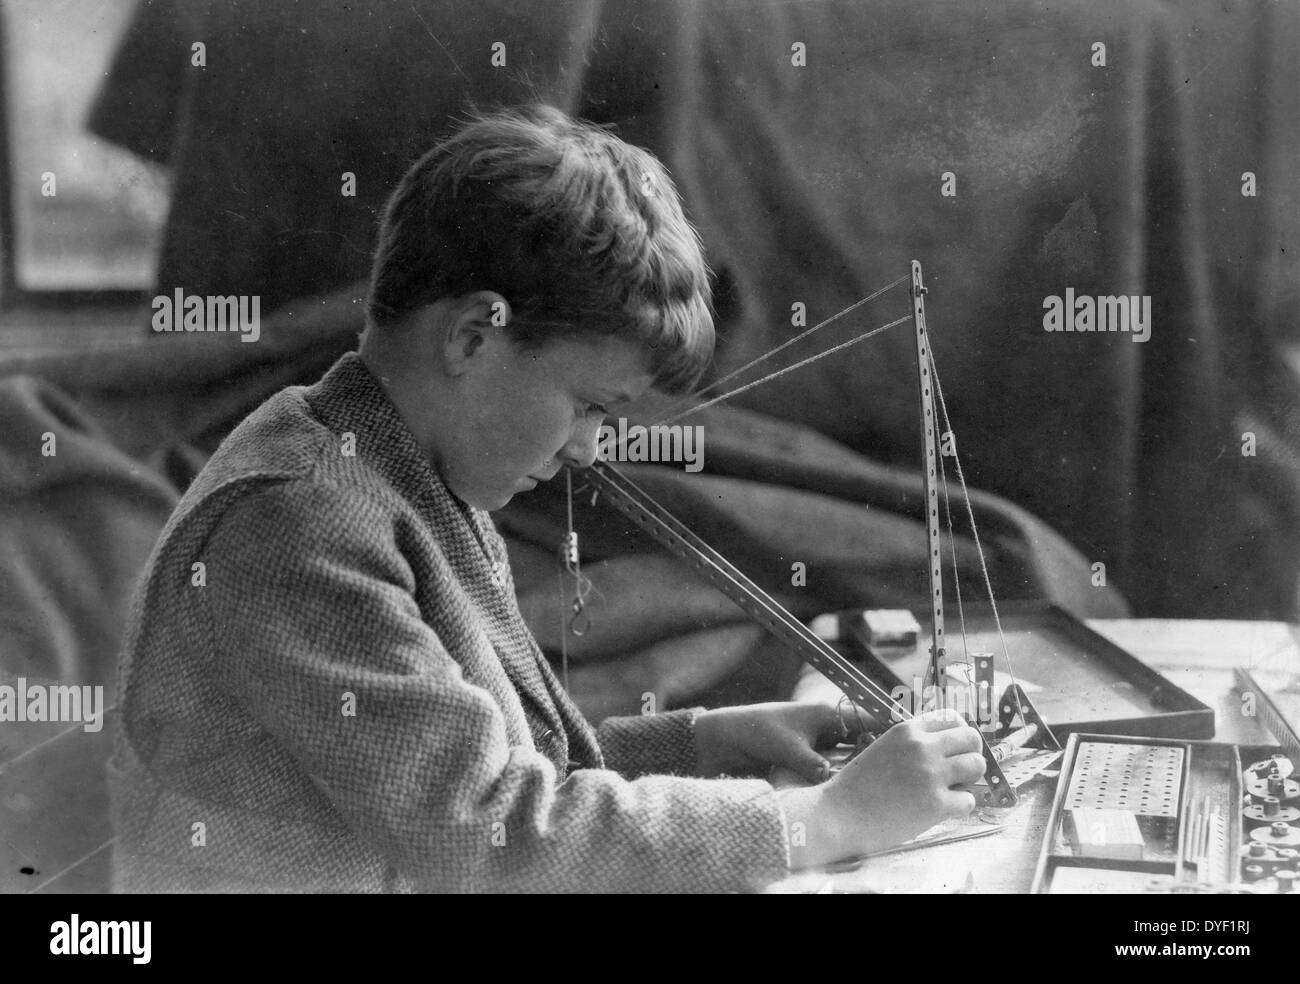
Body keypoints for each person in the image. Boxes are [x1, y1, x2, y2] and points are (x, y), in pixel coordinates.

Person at [108, 105, 985, 892]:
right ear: (474, 336)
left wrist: (709, 741)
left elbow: (508, 766)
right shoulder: (302, 520)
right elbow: (491, 840)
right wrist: (822, 822)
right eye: (588, 406)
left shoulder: (407, 474)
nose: (588, 448)